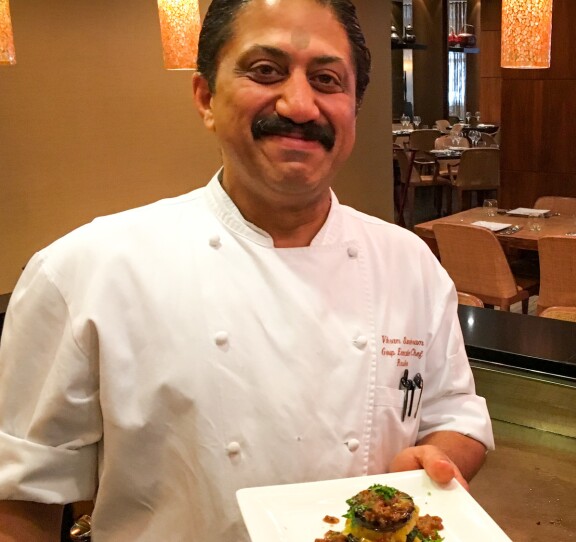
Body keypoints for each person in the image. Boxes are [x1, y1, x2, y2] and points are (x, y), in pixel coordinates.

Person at [0, 0, 494, 539]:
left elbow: (454, 413)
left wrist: (437, 461)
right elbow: (22, 499)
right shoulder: (85, 270)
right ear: (206, 97)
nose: (300, 105)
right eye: (265, 70)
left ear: (354, 109)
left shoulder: (409, 263)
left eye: (327, 80)